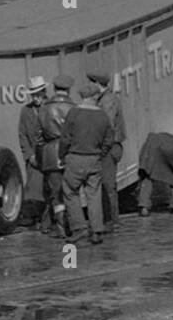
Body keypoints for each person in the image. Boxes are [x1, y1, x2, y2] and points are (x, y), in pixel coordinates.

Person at [60, 79, 114, 245]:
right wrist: (100, 154)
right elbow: (108, 140)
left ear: (83, 97)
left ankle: (79, 228)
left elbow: (65, 139)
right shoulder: (103, 116)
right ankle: (97, 230)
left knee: (70, 192)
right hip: (94, 159)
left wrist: (62, 156)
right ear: (94, 97)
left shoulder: (73, 114)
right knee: (94, 194)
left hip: (75, 158)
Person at [88, 69, 127, 233]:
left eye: (92, 82)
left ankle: (112, 220)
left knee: (108, 184)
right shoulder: (104, 99)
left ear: (98, 84)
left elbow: (107, 126)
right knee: (107, 184)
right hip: (110, 147)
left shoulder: (107, 101)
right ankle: (110, 219)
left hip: (109, 148)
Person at [38, 74, 75, 238]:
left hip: (50, 154)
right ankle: (71, 225)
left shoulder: (44, 108)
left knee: (55, 194)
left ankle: (60, 226)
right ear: (68, 89)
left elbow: (38, 138)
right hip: (69, 153)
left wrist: (40, 158)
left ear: (54, 89)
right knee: (70, 192)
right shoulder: (73, 107)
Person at [17, 75, 48, 228]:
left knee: (49, 188)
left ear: (44, 92)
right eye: (33, 94)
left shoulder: (50, 108)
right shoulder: (26, 111)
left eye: (39, 94)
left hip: (48, 155)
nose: (36, 98)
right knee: (33, 189)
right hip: (33, 157)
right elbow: (22, 135)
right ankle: (35, 216)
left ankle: (48, 219)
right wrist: (29, 155)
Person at [137, 131, 173, 216]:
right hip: (168, 149)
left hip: (150, 148)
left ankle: (144, 206)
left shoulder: (169, 138)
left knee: (147, 177)